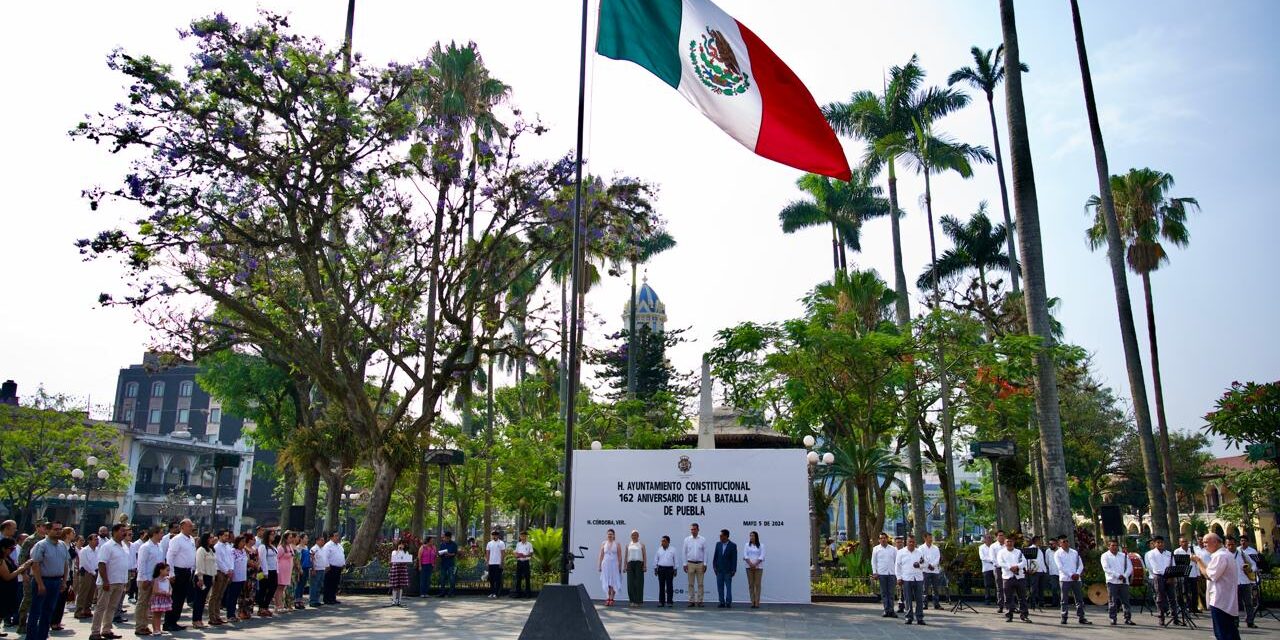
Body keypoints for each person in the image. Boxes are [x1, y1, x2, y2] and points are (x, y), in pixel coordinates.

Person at [26, 519, 69, 640]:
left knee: (48, 611)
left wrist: (64, 582)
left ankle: (42, 636)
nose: (58, 531)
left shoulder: (62, 545)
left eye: (60, 529)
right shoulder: (41, 545)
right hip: (43, 581)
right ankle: (31, 637)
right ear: (48, 530)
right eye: (55, 529)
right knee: (36, 611)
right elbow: (35, 565)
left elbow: (65, 564)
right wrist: (40, 584)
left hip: (56, 581)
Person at [1191, 533, 1239, 640]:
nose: (1204, 545)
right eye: (1203, 542)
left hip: (1220, 601)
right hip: (1224, 600)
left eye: (1206, 542)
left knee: (1223, 634)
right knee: (1230, 632)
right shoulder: (1224, 555)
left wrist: (1198, 561)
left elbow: (1208, 575)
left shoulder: (1220, 556)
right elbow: (1211, 571)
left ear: (1216, 542)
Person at [91, 523, 129, 640]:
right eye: (122, 531)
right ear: (115, 532)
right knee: (101, 607)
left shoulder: (124, 546)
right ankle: (95, 632)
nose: (125, 533)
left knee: (112, 607)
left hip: (120, 581)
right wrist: (105, 581)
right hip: (108, 582)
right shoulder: (107, 546)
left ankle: (106, 630)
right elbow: (102, 564)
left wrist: (125, 581)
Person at [15, 520, 48, 635]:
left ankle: (36, 624)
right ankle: (22, 624)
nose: (45, 528)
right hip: (30, 574)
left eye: (46, 526)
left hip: (44, 574)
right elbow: (22, 558)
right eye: (44, 526)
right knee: (28, 599)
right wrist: (23, 574)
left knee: (42, 601)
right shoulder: (30, 540)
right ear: (37, 527)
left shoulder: (47, 540)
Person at [162, 519, 194, 632]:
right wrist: (171, 573)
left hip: (187, 571)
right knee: (175, 598)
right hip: (178, 571)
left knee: (181, 599)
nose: (191, 528)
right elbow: (170, 556)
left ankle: (174, 621)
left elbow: (191, 555)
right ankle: (168, 622)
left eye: (191, 526)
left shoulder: (191, 539)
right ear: (182, 526)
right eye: (189, 526)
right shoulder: (177, 539)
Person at [1053, 535, 1091, 625]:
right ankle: (1064, 617)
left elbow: (1080, 564)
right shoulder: (1057, 554)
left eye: (1067, 541)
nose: (1066, 543)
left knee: (1079, 599)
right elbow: (1060, 567)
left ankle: (1081, 617)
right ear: (1059, 543)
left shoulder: (1074, 552)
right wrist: (1071, 575)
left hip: (1076, 579)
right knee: (1064, 600)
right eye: (1063, 542)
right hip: (1065, 579)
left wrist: (1077, 573)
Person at [134, 526, 163, 635]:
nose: (162, 536)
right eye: (160, 533)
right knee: (142, 603)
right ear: (154, 534)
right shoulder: (145, 547)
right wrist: (145, 578)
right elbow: (141, 564)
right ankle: (139, 626)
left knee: (149, 604)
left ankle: (145, 625)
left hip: (155, 579)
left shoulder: (159, 547)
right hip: (145, 579)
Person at [1144, 535, 1177, 626]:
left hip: (1169, 577)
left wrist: (1171, 576)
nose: (1160, 544)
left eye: (1161, 542)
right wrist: (1166, 574)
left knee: (1172, 597)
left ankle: (1175, 617)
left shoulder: (1169, 553)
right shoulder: (1151, 554)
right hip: (1159, 577)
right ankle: (1161, 618)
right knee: (1160, 598)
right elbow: (1155, 568)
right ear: (1154, 544)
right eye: (1158, 542)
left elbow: (1173, 565)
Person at [996, 535, 1029, 623]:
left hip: (1019, 577)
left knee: (1022, 597)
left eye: (1011, 541)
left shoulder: (1019, 552)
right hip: (1007, 577)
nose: (1009, 543)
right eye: (1007, 542)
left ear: (1013, 542)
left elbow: (1024, 561)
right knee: (1008, 598)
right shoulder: (1001, 552)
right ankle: (1009, 615)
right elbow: (1000, 563)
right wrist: (1010, 567)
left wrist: (1017, 566)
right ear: (1005, 543)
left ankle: (1024, 615)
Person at [0, 538, 29, 638]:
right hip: (3, 589)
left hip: (9, 589)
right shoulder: (1, 560)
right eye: (10, 548)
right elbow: (7, 576)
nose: (12, 550)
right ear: (3, 548)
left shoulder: (7, 557)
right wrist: (21, 569)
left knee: (3, 611)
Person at [1100, 538, 1134, 626]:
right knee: (1112, 601)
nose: (1115, 547)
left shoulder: (1123, 555)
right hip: (1112, 581)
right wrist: (1118, 575)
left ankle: (1127, 618)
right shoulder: (1105, 556)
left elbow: (1130, 567)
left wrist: (1125, 575)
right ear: (1108, 546)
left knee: (1126, 601)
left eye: (1116, 546)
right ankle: (1113, 618)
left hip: (1123, 581)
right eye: (1112, 545)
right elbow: (1106, 569)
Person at [1226, 536, 1257, 628]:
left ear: (1236, 544)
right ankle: (1235, 621)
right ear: (1226, 545)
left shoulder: (1242, 554)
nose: (1231, 546)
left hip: (1244, 581)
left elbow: (1253, 565)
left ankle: (1250, 621)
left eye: (1232, 544)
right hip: (1232, 583)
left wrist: (1248, 568)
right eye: (1229, 545)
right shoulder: (1224, 555)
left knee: (1248, 603)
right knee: (1234, 604)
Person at [895, 534, 925, 625]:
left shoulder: (919, 552)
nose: (911, 543)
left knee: (919, 599)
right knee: (908, 599)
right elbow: (897, 566)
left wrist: (919, 565)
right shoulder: (901, 552)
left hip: (918, 578)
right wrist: (899, 578)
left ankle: (920, 618)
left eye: (913, 542)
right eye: (909, 542)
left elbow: (924, 564)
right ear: (906, 542)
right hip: (906, 578)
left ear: (915, 542)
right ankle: (908, 617)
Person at [192, 532, 216, 629]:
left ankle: (200, 619)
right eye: (210, 538)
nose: (212, 539)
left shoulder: (210, 550)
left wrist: (213, 577)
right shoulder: (201, 550)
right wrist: (200, 578)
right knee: (199, 599)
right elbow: (199, 564)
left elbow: (213, 564)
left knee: (203, 600)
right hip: (202, 576)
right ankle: (195, 620)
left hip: (209, 576)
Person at [870, 532, 897, 618]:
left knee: (891, 593)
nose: (883, 539)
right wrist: (875, 572)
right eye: (881, 538)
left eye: (884, 538)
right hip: (881, 573)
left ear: (887, 539)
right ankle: (886, 610)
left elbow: (897, 562)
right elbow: (873, 561)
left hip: (891, 573)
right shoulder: (876, 549)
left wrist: (898, 574)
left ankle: (891, 610)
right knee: (884, 593)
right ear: (879, 540)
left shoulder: (893, 549)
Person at [209, 530, 233, 625]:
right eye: (225, 535)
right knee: (215, 595)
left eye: (228, 536)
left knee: (220, 595)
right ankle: (212, 617)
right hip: (220, 572)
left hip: (227, 572)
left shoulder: (228, 546)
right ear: (219, 536)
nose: (227, 537)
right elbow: (219, 561)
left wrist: (231, 569)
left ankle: (217, 615)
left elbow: (231, 558)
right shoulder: (217, 547)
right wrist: (226, 570)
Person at [1173, 536, 1201, 614]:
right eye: (1183, 542)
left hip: (1193, 574)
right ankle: (1187, 607)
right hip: (1183, 574)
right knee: (1185, 592)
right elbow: (1176, 564)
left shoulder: (1192, 550)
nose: (1185, 543)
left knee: (1194, 592)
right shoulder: (1177, 551)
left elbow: (1196, 563)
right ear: (1180, 543)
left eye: (1186, 541)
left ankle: (1194, 608)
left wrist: (1198, 573)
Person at [224, 535, 248, 623]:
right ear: (237, 542)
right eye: (242, 541)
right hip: (235, 577)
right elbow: (231, 563)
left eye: (245, 541)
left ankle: (234, 613)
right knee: (232, 597)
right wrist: (230, 575)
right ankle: (230, 614)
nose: (244, 543)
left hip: (242, 577)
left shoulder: (244, 551)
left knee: (237, 596)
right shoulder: (233, 551)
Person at [74, 533, 99, 619]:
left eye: (97, 539)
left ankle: (87, 610)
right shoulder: (84, 550)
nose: (97, 541)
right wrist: (93, 572)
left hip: (95, 573)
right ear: (89, 541)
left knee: (91, 592)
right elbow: (85, 563)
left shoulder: (97, 550)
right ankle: (79, 611)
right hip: (86, 573)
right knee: (83, 592)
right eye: (95, 539)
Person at [682, 523, 707, 608]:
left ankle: (700, 601)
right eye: (692, 529)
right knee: (690, 584)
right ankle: (691, 601)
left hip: (700, 564)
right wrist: (684, 564)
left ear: (698, 530)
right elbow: (684, 552)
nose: (693, 531)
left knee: (700, 584)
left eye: (694, 529)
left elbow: (705, 552)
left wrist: (705, 564)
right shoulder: (687, 540)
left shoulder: (703, 539)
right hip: (690, 564)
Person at [255, 529, 279, 617]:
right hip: (266, 571)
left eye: (274, 535)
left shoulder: (272, 546)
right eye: (271, 535)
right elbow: (263, 560)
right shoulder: (262, 547)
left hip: (273, 570)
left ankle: (265, 606)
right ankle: (261, 608)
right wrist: (265, 572)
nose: (273, 536)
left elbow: (276, 559)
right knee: (263, 589)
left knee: (273, 588)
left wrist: (277, 570)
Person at [712, 529, 737, 609]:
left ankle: (728, 602)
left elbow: (734, 558)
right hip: (719, 569)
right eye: (720, 536)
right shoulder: (718, 544)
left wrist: (734, 569)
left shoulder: (732, 545)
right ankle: (721, 602)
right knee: (720, 587)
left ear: (726, 536)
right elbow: (715, 556)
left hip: (728, 570)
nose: (720, 537)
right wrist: (714, 567)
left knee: (728, 587)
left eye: (721, 536)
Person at [598, 529, 623, 606]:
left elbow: (620, 556)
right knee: (607, 582)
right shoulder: (603, 543)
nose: (610, 535)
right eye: (608, 534)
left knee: (613, 581)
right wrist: (599, 565)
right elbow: (601, 555)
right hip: (605, 565)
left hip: (614, 565)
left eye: (611, 534)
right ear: (607, 535)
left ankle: (612, 598)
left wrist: (619, 566)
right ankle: (608, 597)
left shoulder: (617, 544)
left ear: (614, 535)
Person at [623, 530, 646, 607]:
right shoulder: (628, 545)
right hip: (630, 564)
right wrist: (624, 566)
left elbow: (644, 555)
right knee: (630, 583)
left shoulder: (641, 544)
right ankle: (632, 601)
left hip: (639, 564)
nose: (634, 536)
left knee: (639, 583)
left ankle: (638, 601)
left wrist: (645, 565)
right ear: (631, 536)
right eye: (633, 535)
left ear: (638, 536)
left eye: (636, 535)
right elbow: (626, 556)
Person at [919, 532, 942, 611]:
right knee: (925, 588)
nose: (931, 539)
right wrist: (928, 565)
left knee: (935, 588)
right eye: (929, 537)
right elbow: (921, 558)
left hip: (934, 570)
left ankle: (936, 604)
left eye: (931, 537)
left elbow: (937, 558)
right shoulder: (921, 548)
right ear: (925, 538)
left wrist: (933, 565)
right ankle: (925, 604)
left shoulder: (935, 548)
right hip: (925, 570)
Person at [653, 536, 676, 608]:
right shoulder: (659, 550)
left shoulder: (673, 549)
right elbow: (656, 560)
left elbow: (675, 560)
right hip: (661, 569)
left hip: (670, 569)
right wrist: (655, 569)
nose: (662, 542)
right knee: (661, 586)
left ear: (668, 542)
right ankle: (661, 602)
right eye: (662, 541)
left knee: (669, 586)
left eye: (664, 541)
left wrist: (675, 569)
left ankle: (669, 602)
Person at [321, 532, 345, 605]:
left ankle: (333, 598)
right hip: (331, 567)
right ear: (331, 537)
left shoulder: (339, 546)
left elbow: (342, 555)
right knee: (329, 583)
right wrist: (327, 565)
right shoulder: (328, 545)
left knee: (335, 583)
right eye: (336, 536)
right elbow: (325, 556)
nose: (338, 537)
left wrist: (343, 563)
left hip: (338, 567)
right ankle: (327, 599)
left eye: (338, 536)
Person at [743, 531, 764, 609]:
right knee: (751, 585)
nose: (751, 537)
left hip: (758, 567)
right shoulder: (747, 545)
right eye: (750, 536)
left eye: (752, 536)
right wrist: (750, 564)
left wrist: (755, 564)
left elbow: (762, 556)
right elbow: (745, 555)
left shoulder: (761, 545)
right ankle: (752, 602)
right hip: (749, 567)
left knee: (757, 585)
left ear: (756, 537)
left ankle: (757, 602)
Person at [148, 563, 172, 635]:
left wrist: (170, 592)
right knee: (155, 615)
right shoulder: (156, 580)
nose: (168, 572)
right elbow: (155, 591)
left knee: (160, 615)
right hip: (158, 600)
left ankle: (159, 629)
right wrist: (164, 593)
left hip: (164, 599)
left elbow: (170, 588)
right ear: (161, 570)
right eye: (167, 570)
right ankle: (155, 630)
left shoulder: (167, 580)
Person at [275, 531, 294, 612]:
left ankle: (281, 604)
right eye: (290, 537)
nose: (291, 539)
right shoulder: (281, 547)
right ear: (285, 538)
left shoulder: (289, 546)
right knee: (279, 587)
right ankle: (278, 605)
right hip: (281, 569)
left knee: (283, 587)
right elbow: (276, 558)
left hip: (287, 570)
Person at [485, 530, 506, 599]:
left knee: (498, 579)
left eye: (496, 535)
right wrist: (487, 562)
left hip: (498, 563)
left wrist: (502, 562)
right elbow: (487, 553)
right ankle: (492, 592)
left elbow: (503, 553)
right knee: (491, 579)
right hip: (491, 563)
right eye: (493, 535)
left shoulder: (501, 543)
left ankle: (497, 593)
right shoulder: (489, 543)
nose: (494, 536)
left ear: (498, 536)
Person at [388, 541, 411, 606]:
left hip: (402, 569)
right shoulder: (394, 552)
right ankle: (394, 601)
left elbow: (407, 560)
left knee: (400, 586)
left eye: (402, 544)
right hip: (396, 569)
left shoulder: (405, 552)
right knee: (395, 586)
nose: (401, 545)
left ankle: (399, 601)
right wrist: (398, 550)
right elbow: (393, 558)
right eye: (400, 544)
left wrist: (402, 552)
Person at [436, 532, 459, 598]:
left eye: (446, 538)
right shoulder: (442, 544)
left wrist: (449, 554)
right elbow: (439, 552)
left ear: (449, 537)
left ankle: (451, 593)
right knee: (442, 579)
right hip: (443, 563)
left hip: (451, 564)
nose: (445, 539)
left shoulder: (454, 544)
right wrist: (439, 554)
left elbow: (455, 553)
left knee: (451, 579)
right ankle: (442, 593)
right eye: (444, 538)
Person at [308, 534, 327, 607]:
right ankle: (312, 601)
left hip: (322, 569)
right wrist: (313, 569)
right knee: (314, 585)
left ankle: (317, 600)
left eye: (323, 540)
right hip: (316, 569)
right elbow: (311, 559)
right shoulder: (314, 549)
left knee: (319, 586)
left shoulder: (322, 549)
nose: (323, 542)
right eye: (321, 540)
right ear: (317, 541)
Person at [513, 532, 533, 599]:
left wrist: (525, 555)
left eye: (524, 536)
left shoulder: (529, 544)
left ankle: (528, 594)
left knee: (527, 578)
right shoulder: (518, 544)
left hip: (526, 562)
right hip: (519, 562)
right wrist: (516, 555)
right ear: (520, 537)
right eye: (521, 536)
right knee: (518, 578)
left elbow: (531, 553)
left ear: (526, 537)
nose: (523, 537)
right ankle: (518, 593)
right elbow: (516, 552)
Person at [292, 533, 310, 609]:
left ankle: (300, 600)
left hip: (306, 567)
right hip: (301, 568)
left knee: (303, 585)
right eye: (305, 538)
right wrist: (299, 569)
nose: (307, 540)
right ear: (301, 539)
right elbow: (298, 559)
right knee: (298, 584)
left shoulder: (306, 547)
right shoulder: (298, 548)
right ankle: (296, 601)